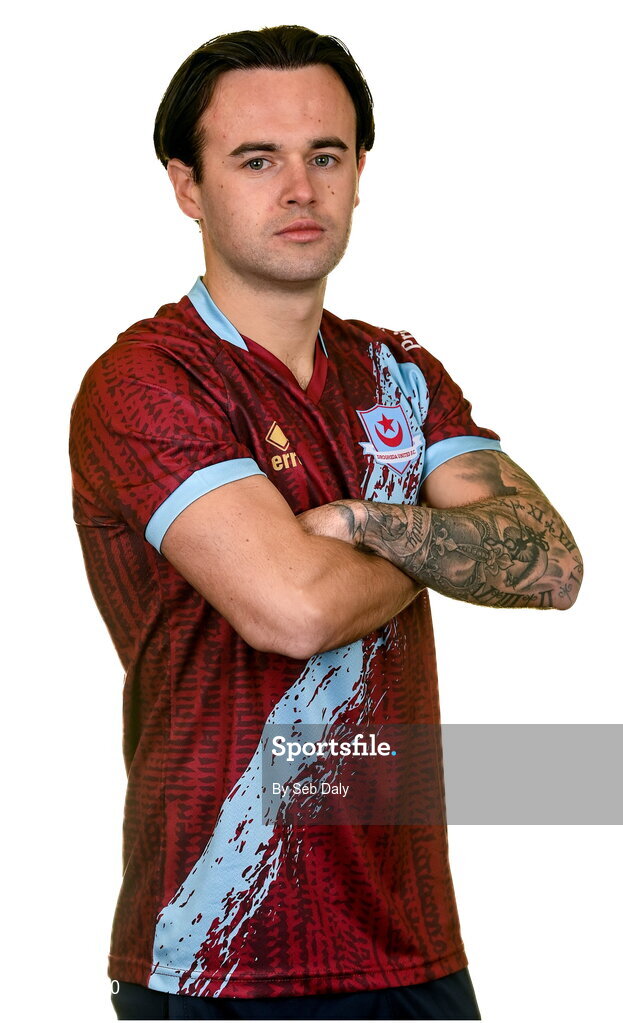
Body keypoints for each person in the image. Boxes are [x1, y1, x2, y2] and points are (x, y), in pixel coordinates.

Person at [69, 24, 582, 1022]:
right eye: (256, 160)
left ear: (358, 173)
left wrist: (354, 519)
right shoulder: (148, 380)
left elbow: (552, 565)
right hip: (223, 951)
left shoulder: (399, 371)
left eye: (326, 155)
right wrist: (439, 542)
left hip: (411, 942)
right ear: (187, 186)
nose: (300, 188)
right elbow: (292, 611)